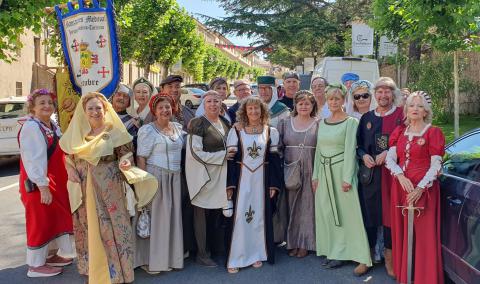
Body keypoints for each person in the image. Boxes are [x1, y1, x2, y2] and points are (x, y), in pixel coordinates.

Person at [60, 92, 136, 283]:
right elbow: (68, 156)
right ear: (84, 112)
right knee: (89, 227)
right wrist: (70, 170)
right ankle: (94, 271)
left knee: (113, 226)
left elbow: (126, 153)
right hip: (85, 187)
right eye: (90, 108)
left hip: (109, 187)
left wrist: (126, 163)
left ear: (105, 109)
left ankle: (117, 273)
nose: (95, 111)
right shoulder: (79, 133)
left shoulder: (114, 131)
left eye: (98, 108)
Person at [385, 91, 445, 284]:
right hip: (401, 188)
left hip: (424, 191)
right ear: (406, 109)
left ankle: (424, 279)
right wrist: (400, 176)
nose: (415, 109)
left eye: (420, 106)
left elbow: (436, 165)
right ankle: (407, 277)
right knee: (404, 234)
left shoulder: (433, 132)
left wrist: (420, 188)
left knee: (424, 236)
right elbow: (390, 159)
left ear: (426, 111)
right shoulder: (400, 132)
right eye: (412, 105)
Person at [312, 85, 372, 275]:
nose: (333, 102)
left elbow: (350, 151)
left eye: (337, 99)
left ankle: (359, 254)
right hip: (324, 172)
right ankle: (334, 251)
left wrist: (347, 178)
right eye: (330, 99)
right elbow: (319, 150)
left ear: (343, 100)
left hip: (341, 173)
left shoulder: (351, 122)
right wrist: (315, 175)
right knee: (328, 213)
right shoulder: (322, 122)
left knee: (348, 215)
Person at [18, 89, 74, 277]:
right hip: (38, 186)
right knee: (39, 223)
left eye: (50, 102)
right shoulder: (32, 128)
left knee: (51, 221)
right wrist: (43, 187)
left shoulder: (50, 125)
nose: (47, 106)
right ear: (32, 107)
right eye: (42, 102)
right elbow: (33, 160)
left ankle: (49, 256)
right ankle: (35, 266)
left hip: (53, 184)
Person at [225, 96, 282, 273]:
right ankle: (237, 258)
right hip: (243, 180)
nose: (254, 112)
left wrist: (273, 184)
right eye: (250, 109)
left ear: (262, 111)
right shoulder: (236, 131)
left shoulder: (270, 131)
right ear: (244, 111)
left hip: (262, 180)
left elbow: (273, 160)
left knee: (259, 218)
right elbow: (230, 160)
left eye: (257, 109)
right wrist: (230, 186)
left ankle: (257, 253)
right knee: (242, 218)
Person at [356, 77, 404, 276]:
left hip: (393, 175)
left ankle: (389, 259)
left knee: (390, 217)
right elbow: (357, 146)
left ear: (393, 94)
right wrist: (364, 155)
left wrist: (390, 152)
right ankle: (366, 256)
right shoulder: (366, 118)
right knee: (369, 214)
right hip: (371, 175)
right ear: (375, 95)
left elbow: (406, 140)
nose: (383, 95)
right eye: (380, 91)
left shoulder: (402, 116)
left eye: (387, 91)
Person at [135, 93, 184, 273]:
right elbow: (141, 157)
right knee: (156, 220)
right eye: (161, 107)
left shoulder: (178, 128)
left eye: (168, 107)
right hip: (156, 177)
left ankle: (170, 258)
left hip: (175, 179)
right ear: (154, 111)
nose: (165, 110)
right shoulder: (147, 130)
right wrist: (144, 184)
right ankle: (152, 261)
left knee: (171, 219)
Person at [185, 90, 231, 267]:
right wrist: (223, 155)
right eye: (209, 101)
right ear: (204, 104)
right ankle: (202, 254)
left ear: (221, 104)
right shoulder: (197, 123)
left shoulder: (225, 122)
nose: (213, 104)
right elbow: (195, 153)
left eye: (216, 101)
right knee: (201, 216)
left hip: (220, 175)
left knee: (216, 214)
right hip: (203, 176)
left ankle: (215, 249)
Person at [277, 91, 318, 258]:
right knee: (290, 206)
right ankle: (292, 242)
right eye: (300, 103)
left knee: (308, 207)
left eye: (307, 103)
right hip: (290, 169)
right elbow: (278, 147)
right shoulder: (285, 123)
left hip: (311, 168)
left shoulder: (319, 123)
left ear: (313, 106)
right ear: (295, 105)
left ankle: (305, 243)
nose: (303, 106)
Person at [257, 75, 289, 245]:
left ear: (273, 90)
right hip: (256, 163)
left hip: (276, 160)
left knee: (276, 199)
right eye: (261, 88)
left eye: (267, 89)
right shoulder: (254, 107)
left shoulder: (281, 109)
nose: (263, 92)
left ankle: (276, 237)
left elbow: (285, 135)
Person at [111, 83, 139, 149]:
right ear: (112, 98)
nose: (121, 98)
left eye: (125, 96)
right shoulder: (102, 115)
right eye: (118, 94)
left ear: (129, 104)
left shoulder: (132, 122)